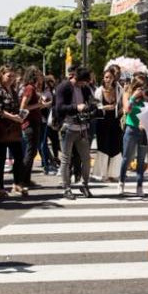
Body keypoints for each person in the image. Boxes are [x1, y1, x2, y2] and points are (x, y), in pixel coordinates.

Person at [55, 67, 96, 199]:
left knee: (87, 159)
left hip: (82, 127)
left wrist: (91, 107)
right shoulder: (63, 87)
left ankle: (84, 185)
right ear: (77, 79)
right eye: (84, 82)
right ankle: (66, 188)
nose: (86, 85)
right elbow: (59, 108)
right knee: (66, 159)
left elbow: (91, 102)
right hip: (67, 127)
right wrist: (76, 107)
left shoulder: (84, 88)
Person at [0, 66, 25, 199]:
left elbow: (16, 106)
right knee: (1, 158)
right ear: (1, 76)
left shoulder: (14, 91)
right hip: (1, 128)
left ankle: (17, 183)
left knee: (19, 157)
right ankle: (0, 187)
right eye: (9, 76)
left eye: (13, 76)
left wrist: (20, 116)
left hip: (14, 128)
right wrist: (12, 117)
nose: (11, 78)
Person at [16, 66, 47, 190]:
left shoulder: (32, 88)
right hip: (30, 124)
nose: (41, 77)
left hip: (34, 122)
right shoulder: (29, 88)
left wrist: (40, 106)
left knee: (32, 151)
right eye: (39, 75)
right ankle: (21, 180)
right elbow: (23, 107)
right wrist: (38, 105)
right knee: (30, 152)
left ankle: (26, 179)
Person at [120, 72, 148, 196]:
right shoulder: (127, 93)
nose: (141, 89)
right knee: (126, 158)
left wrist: (145, 97)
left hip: (143, 131)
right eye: (139, 87)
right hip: (131, 128)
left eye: (143, 87)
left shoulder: (147, 96)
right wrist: (133, 97)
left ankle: (139, 186)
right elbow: (127, 109)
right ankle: (121, 182)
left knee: (141, 160)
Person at [94, 66, 124, 183]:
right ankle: (102, 174)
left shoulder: (118, 89)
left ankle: (114, 174)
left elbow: (122, 103)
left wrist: (122, 110)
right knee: (103, 147)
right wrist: (105, 107)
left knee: (115, 147)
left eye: (110, 77)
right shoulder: (98, 90)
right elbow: (95, 107)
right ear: (103, 78)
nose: (108, 79)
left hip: (115, 121)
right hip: (102, 121)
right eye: (106, 77)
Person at [39, 74, 61, 175]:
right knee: (42, 144)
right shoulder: (41, 91)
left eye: (52, 81)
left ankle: (51, 161)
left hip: (49, 120)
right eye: (49, 81)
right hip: (41, 120)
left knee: (53, 141)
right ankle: (47, 163)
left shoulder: (52, 91)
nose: (51, 83)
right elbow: (42, 105)